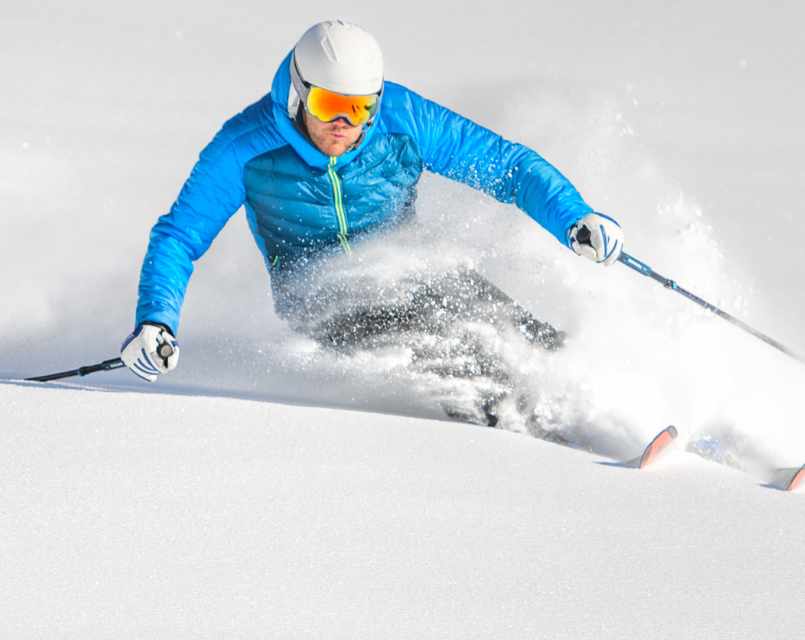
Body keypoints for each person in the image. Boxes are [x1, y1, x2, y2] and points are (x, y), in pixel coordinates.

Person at [117, 21, 626, 429]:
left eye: (359, 109)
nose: (345, 125)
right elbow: (180, 236)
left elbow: (506, 167)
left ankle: (612, 405)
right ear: (297, 96)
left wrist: (574, 218)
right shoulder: (245, 146)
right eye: (329, 107)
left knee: (508, 323)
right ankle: (528, 429)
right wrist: (155, 321)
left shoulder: (403, 119)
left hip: (411, 266)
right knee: (446, 345)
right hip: (319, 298)